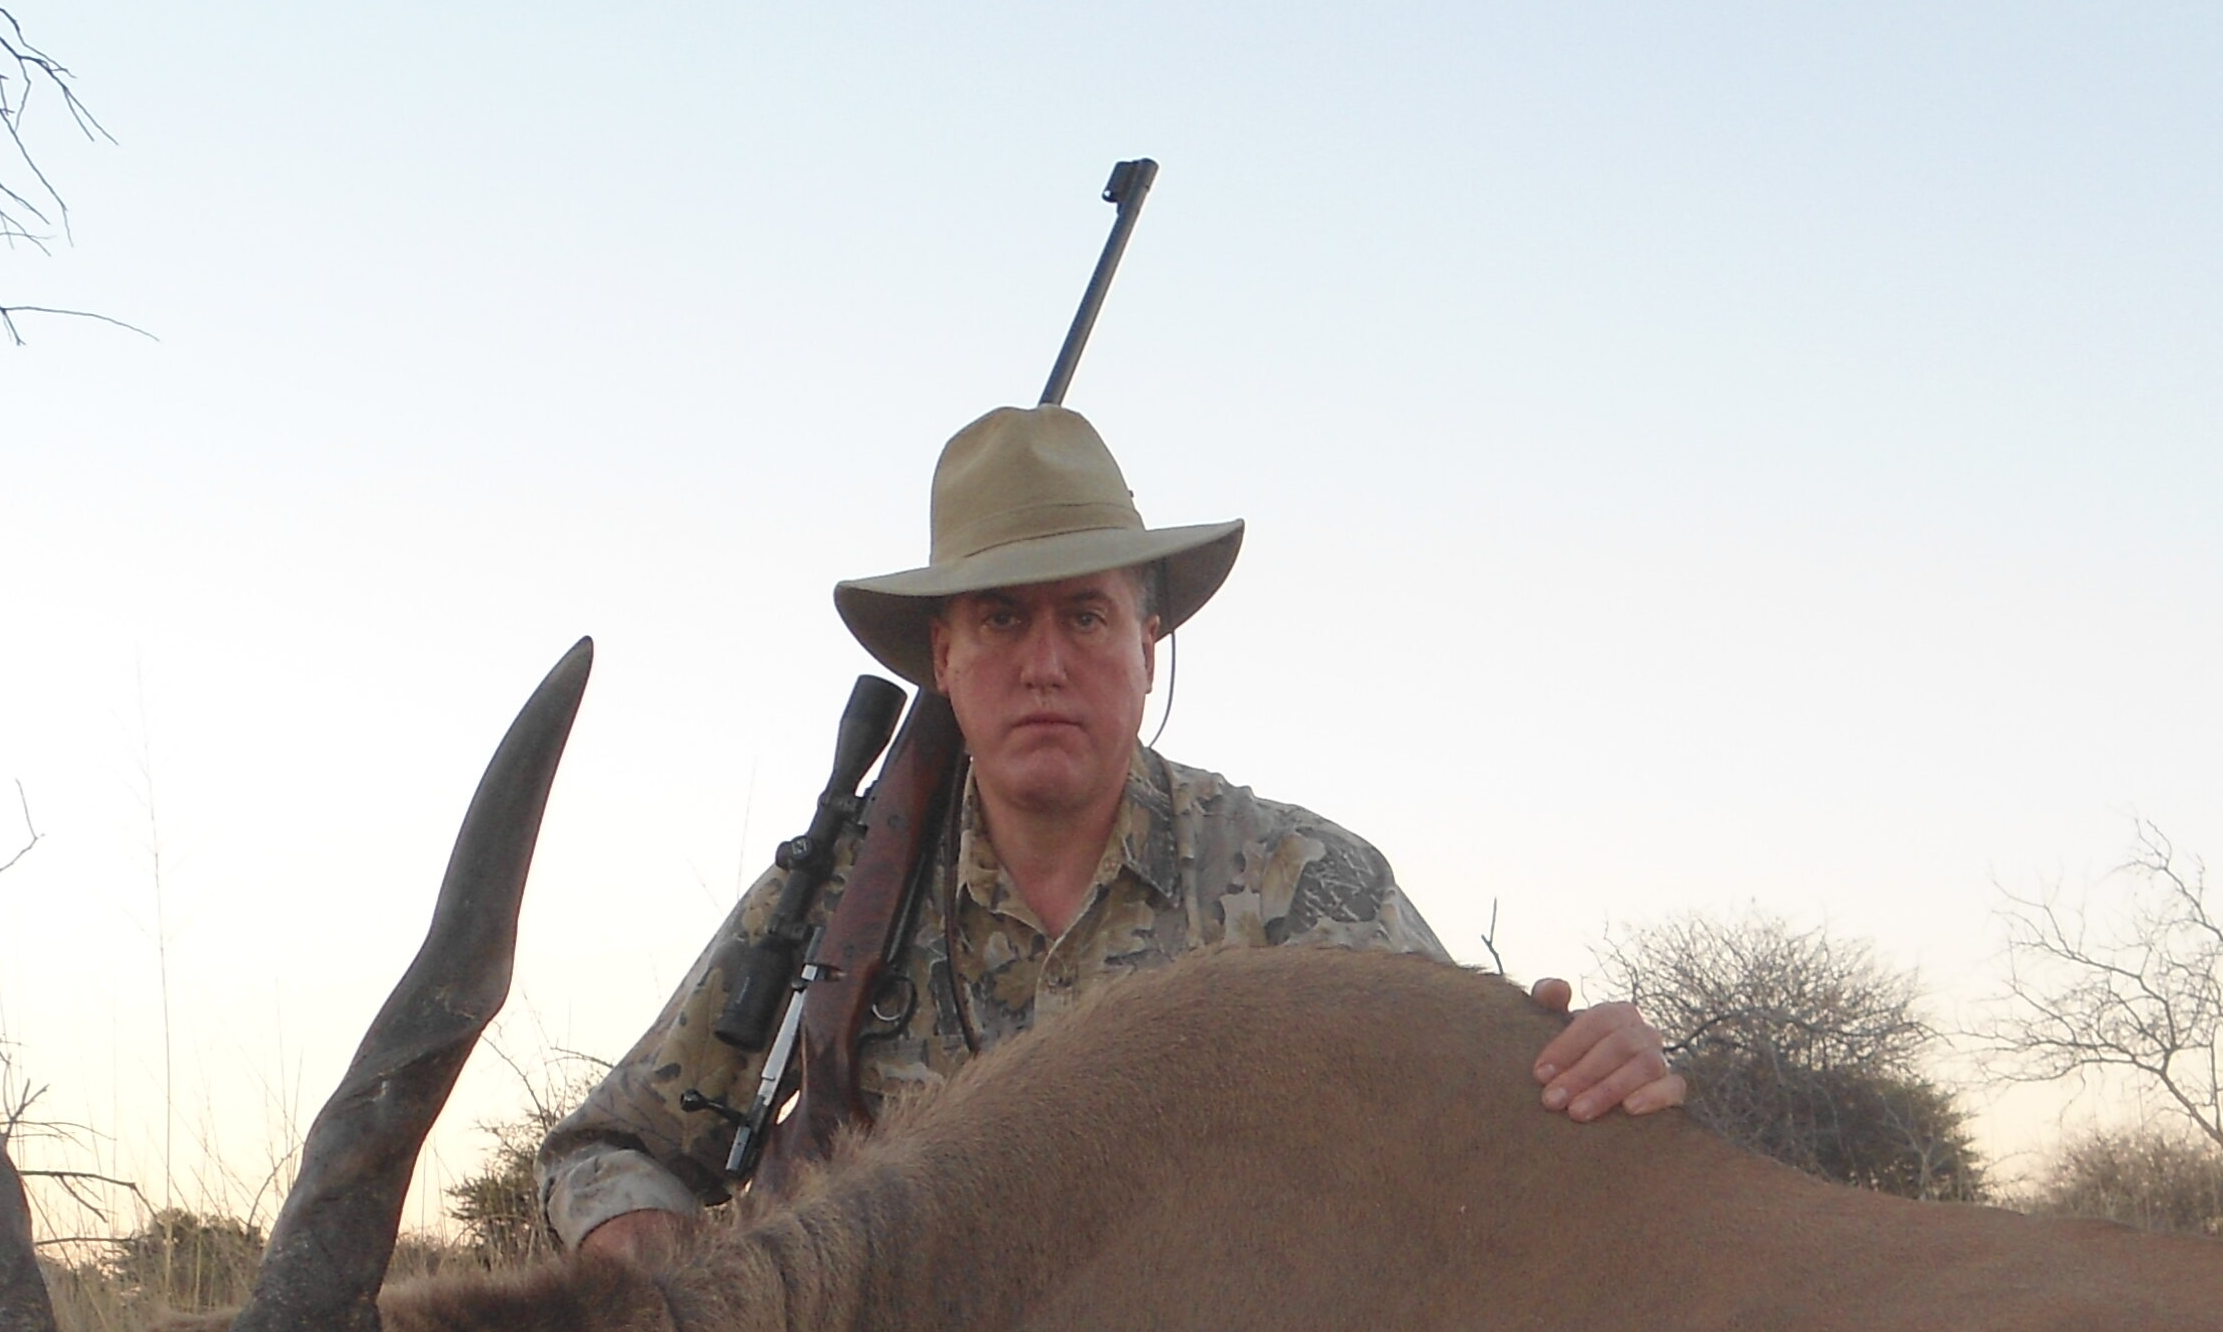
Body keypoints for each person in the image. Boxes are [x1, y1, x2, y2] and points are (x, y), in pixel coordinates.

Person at [541, 405, 1682, 1261]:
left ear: (1150, 643)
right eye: (1000, 619)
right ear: (942, 661)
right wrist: (640, 1239)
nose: (1044, 664)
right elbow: (600, 1154)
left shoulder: (1296, 881)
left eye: (1086, 615)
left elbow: (1490, 1116)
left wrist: (1600, 1066)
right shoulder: (826, 905)